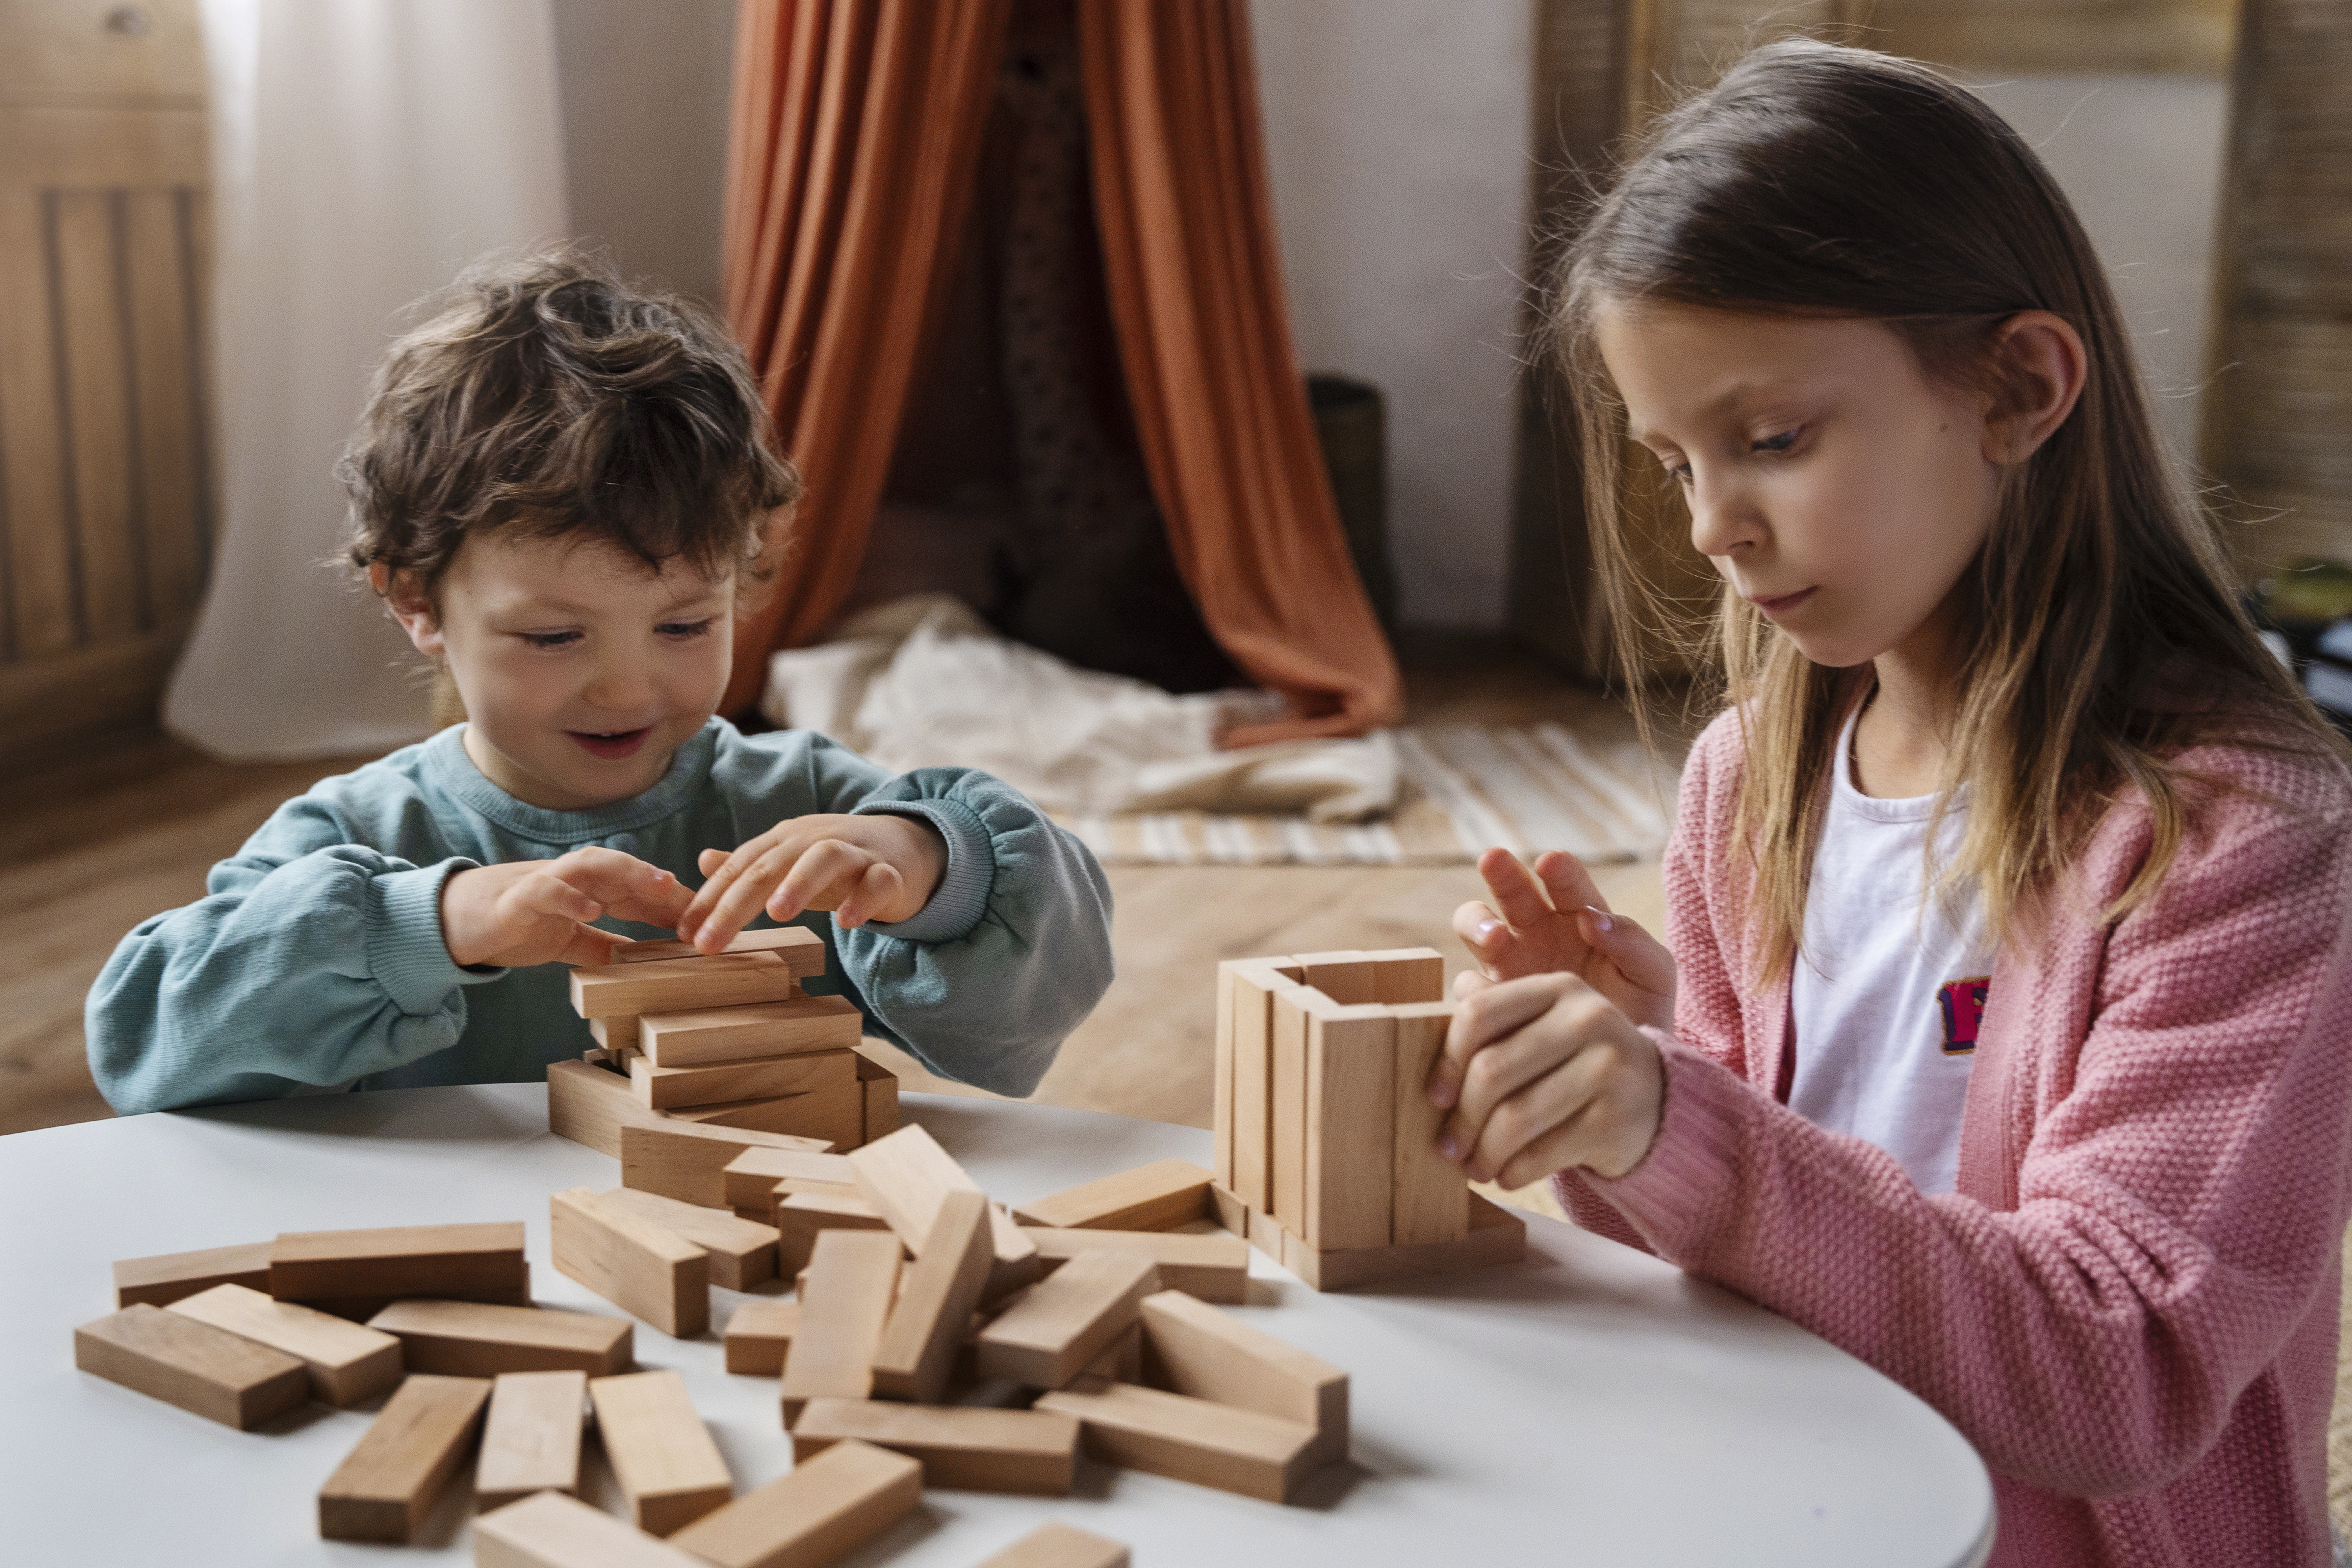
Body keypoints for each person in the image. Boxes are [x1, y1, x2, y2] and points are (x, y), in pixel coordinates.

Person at [1430, 40, 2352, 1568]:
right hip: (1791, 1509)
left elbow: (2115, 1364)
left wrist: (1693, 1130)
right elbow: (1764, 1233)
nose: (1715, 526)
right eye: (1674, 461)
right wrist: (1636, 1095)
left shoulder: (2245, 842)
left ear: (2016, 387)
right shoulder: (1749, 779)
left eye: (1773, 439)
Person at [88, 250, 1114, 1115]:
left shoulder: (801, 807)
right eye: (549, 638)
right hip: (456, 1286)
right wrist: (428, 928)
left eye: (683, 624)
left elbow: (1053, 976)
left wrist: (930, 861)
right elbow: (143, 1038)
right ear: (414, 599)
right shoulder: (361, 838)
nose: (628, 693)